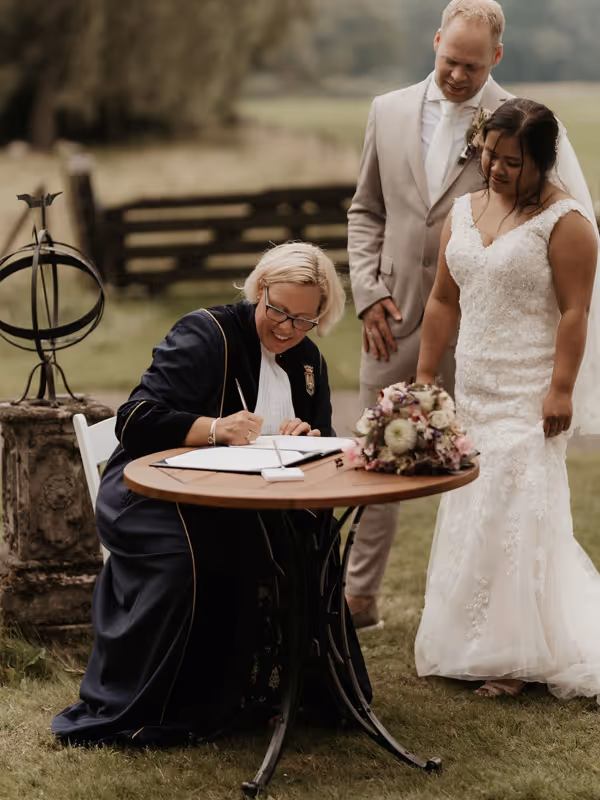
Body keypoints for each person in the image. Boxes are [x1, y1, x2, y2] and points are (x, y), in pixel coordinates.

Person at [52, 242, 371, 745]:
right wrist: (213, 428)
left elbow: (326, 439)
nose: (287, 329)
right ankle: (178, 705)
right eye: (278, 311)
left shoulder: (306, 360)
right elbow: (134, 420)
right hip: (154, 493)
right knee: (193, 559)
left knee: (310, 540)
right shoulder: (207, 333)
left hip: (241, 502)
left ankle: (278, 691)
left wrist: (306, 438)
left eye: (304, 320)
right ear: (258, 290)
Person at [345, 0, 595, 631]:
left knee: (501, 480)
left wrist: (560, 383)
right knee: (380, 450)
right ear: (435, 43)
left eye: (473, 65)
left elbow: (562, 255)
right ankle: (359, 597)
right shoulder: (388, 110)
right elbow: (365, 210)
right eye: (450, 60)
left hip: (501, 333)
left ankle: (502, 622)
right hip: (401, 315)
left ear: (497, 58)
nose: (458, 75)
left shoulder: (525, 125)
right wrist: (369, 290)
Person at [414, 98, 600, 700]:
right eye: (488, 154)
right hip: (475, 384)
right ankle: (467, 639)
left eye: (510, 161)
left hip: (531, 390)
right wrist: (424, 378)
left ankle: (515, 658)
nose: (493, 168)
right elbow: (443, 298)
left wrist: (561, 389)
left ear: (542, 162)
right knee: (473, 505)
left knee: (519, 507)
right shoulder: (464, 212)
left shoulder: (567, 223)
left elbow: (576, 312)